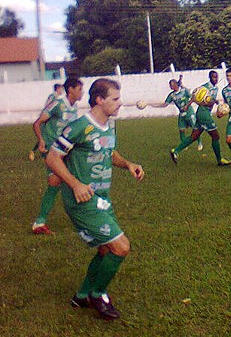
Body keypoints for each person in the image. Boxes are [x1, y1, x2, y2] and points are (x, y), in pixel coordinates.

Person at [46, 78, 145, 320]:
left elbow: (108, 151)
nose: (120, 103)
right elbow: (52, 157)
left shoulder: (109, 125)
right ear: (99, 100)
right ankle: (98, 293)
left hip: (101, 197)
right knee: (121, 247)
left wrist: (127, 164)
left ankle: (81, 296)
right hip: (81, 200)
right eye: (115, 99)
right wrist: (75, 184)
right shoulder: (79, 126)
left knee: (105, 250)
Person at [31, 78, 83, 235]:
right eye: (79, 89)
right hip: (51, 149)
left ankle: (81, 218)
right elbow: (37, 123)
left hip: (65, 149)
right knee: (55, 182)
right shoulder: (58, 104)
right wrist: (41, 141)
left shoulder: (74, 107)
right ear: (70, 89)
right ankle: (39, 222)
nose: (82, 92)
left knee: (71, 180)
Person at [170, 71, 231, 166]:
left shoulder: (215, 88)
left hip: (203, 114)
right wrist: (187, 105)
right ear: (210, 77)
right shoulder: (205, 87)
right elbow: (194, 97)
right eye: (213, 77)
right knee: (216, 136)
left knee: (193, 136)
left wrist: (214, 102)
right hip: (203, 114)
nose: (215, 79)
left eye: (216, 77)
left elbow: (209, 99)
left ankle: (176, 151)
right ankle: (220, 160)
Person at [161, 79, 203, 154]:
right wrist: (153, 106)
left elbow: (193, 98)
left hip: (189, 113)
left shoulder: (184, 91)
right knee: (181, 130)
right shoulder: (172, 95)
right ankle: (184, 145)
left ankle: (200, 143)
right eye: (170, 85)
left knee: (195, 129)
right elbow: (165, 104)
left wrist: (188, 105)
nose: (170, 86)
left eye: (171, 85)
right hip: (181, 114)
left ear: (175, 85)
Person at [29, 84, 65, 161]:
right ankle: (36, 151)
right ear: (57, 89)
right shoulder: (53, 96)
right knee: (44, 136)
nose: (62, 90)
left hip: (52, 118)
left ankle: (49, 152)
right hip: (48, 118)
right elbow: (47, 106)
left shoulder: (60, 97)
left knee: (47, 136)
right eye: (61, 88)